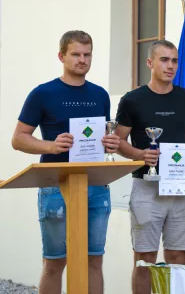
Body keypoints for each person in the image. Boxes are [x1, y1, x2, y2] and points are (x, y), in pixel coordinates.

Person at [11, 30, 120, 294]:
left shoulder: (100, 95)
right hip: (54, 186)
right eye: (76, 54)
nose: (82, 60)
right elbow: (18, 139)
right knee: (54, 263)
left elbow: (100, 135)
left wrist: (110, 143)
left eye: (87, 54)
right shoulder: (42, 94)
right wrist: (51, 145)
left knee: (95, 261)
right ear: (61, 56)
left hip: (95, 186)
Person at [114, 40, 185, 294]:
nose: (171, 65)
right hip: (147, 186)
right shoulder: (132, 100)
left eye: (175, 60)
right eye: (164, 60)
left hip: (181, 186)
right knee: (144, 260)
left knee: (177, 256)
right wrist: (140, 154)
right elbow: (118, 141)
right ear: (150, 63)